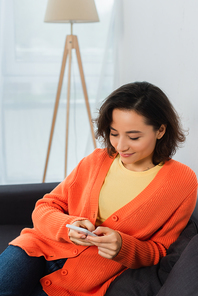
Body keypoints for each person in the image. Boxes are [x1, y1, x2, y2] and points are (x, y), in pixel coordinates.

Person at [0, 81, 197, 296]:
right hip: (36, 248)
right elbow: (44, 208)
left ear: (160, 130)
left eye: (134, 137)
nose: (120, 146)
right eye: (114, 133)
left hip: (83, 281)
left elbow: (160, 251)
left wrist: (124, 247)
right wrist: (70, 224)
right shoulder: (96, 160)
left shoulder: (182, 182)